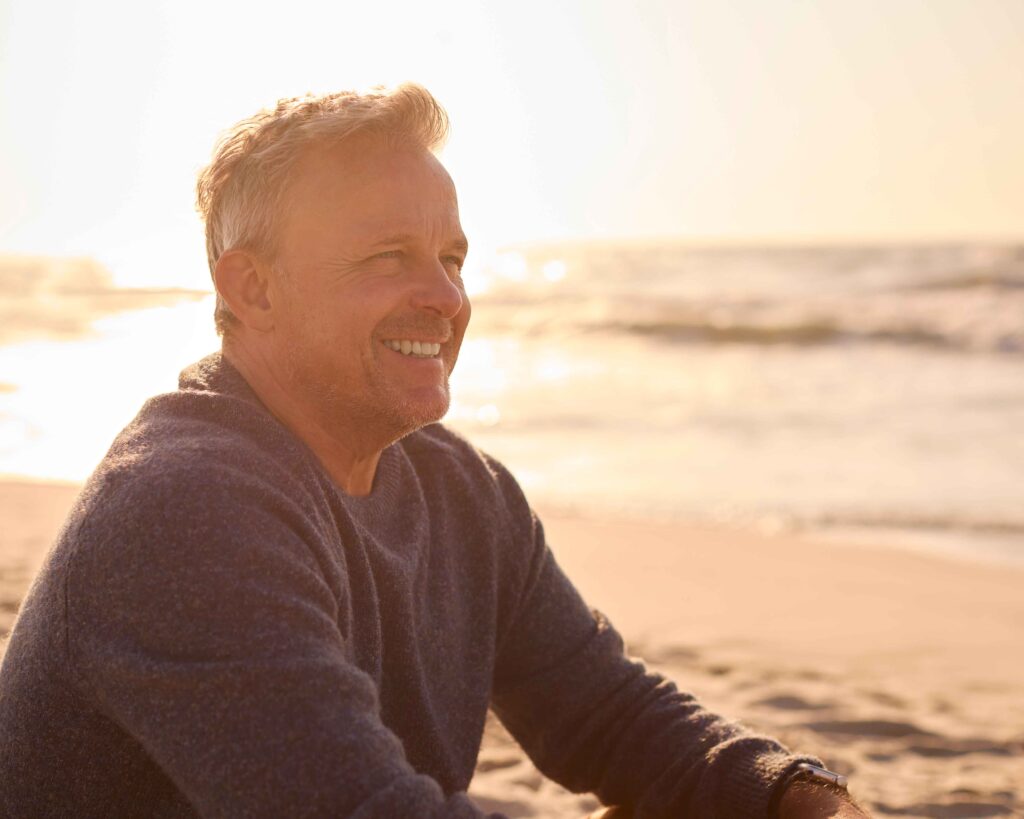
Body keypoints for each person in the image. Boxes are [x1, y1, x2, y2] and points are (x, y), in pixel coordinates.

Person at [0, 85, 868, 818]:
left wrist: (801, 797)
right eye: (390, 257)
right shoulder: (184, 509)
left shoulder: (462, 491)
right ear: (251, 286)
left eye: (452, 258)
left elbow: (605, 712)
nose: (445, 298)